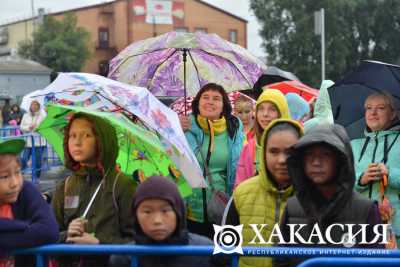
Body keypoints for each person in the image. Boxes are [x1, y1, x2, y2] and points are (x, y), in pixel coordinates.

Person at [275, 123, 383, 267]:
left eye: (325, 154)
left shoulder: (366, 209)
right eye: (309, 155)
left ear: (341, 160)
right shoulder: (292, 207)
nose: (316, 162)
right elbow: (280, 260)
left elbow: (377, 262)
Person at [51, 113, 138, 267]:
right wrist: (67, 235)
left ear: (102, 140)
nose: (77, 142)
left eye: (86, 135)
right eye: (72, 135)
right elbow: (49, 236)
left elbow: (136, 242)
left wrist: (100, 245)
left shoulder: (124, 185)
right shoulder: (65, 187)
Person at [224, 119, 303, 267]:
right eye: (273, 151)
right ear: (263, 154)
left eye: (290, 152)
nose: (282, 160)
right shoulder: (242, 194)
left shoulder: (313, 199)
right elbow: (225, 252)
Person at [179, 83, 244, 238]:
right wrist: (175, 130)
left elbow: (240, 167)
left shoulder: (233, 130)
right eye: (205, 97)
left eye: (216, 98)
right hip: (190, 208)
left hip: (222, 206)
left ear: (224, 106)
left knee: (223, 257)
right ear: (197, 103)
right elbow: (172, 161)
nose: (210, 102)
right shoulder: (185, 126)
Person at [109, 176, 216, 267]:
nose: (157, 220)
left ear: (179, 212)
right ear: (135, 215)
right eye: (147, 212)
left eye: (165, 210)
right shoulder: (123, 258)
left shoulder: (206, 251)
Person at [0, 138, 59, 267]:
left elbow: (49, 231)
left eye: (18, 172)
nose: (15, 183)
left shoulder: (26, 191)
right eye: (4, 176)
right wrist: (24, 226)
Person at [352, 91, 400, 246]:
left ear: (393, 114)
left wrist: (390, 174)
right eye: (368, 108)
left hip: (396, 230)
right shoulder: (353, 145)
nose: (373, 112)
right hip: (360, 228)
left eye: (380, 108)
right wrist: (361, 179)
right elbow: (340, 183)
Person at [234, 89, 290, 188]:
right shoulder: (249, 148)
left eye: (272, 109)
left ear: (282, 111)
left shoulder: (295, 145)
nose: (265, 114)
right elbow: (239, 186)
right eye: (261, 109)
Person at [20, 100, 47, 178]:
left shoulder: (42, 115)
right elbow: (21, 127)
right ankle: (20, 175)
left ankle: (36, 177)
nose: (34, 106)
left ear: (38, 106)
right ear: (30, 106)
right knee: (24, 159)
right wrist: (28, 127)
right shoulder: (25, 115)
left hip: (38, 142)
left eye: (36, 105)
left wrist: (37, 127)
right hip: (28, 142)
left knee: (38, 161)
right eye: (32, 104)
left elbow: (44, 127)